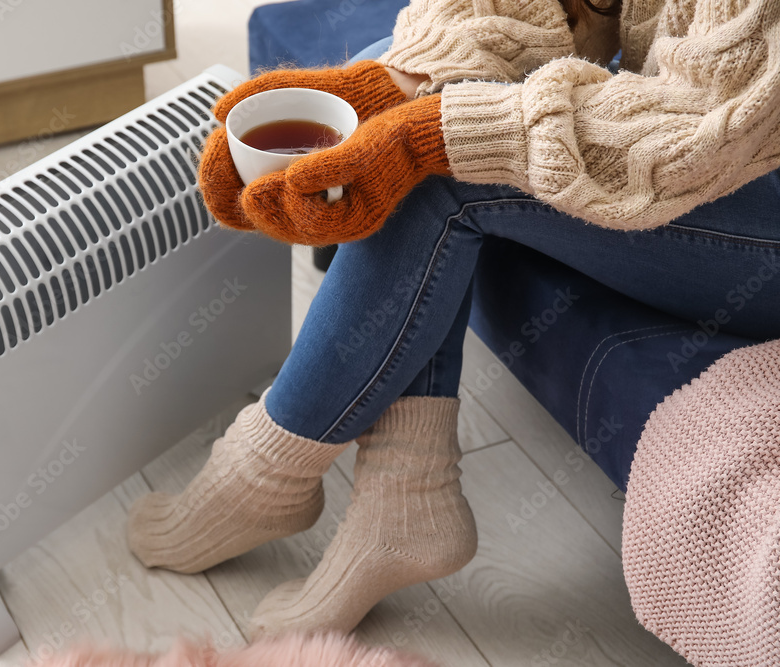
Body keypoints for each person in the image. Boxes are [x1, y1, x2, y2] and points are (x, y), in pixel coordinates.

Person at [126, 0, 780, 655]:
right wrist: (387, 89)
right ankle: (404, 495)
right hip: (706, 123)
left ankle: (264, 475)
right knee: (389, 85)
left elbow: (710, 123)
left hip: (742, 159)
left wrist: (428, 136)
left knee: (444, 165)